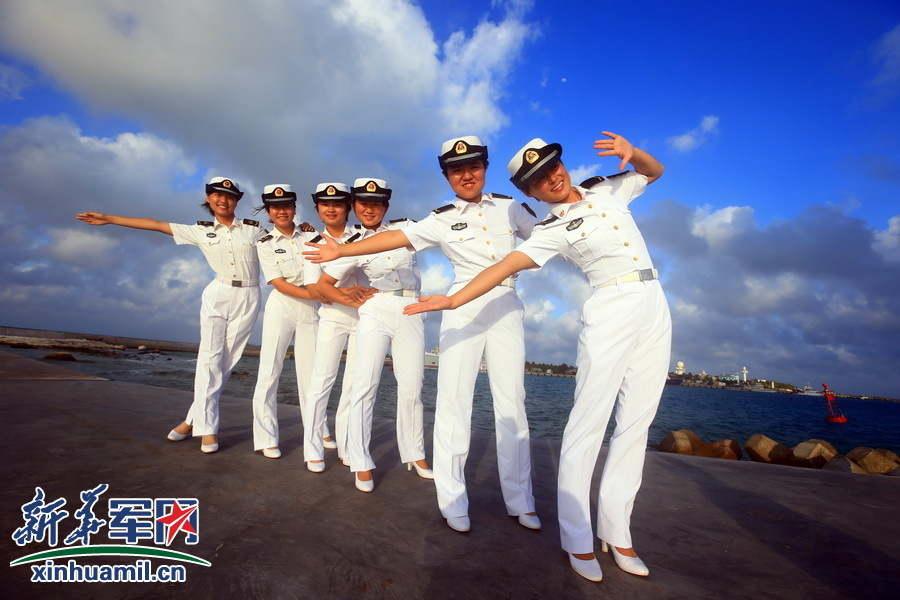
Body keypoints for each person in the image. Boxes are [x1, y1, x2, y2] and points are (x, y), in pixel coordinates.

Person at [403, 132, 670, 583]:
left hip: (654, 302)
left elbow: (653, 172)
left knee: (635, 424)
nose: (552, 178)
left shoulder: (608, 188)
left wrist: (634, 152)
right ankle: (578, 538)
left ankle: (617, 531)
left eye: (553, 167)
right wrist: (453, 301)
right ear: (530, 193)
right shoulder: (549, 230)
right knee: (589, 422)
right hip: (609, 307)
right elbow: (501, 268)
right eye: (539, 180)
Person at [305, 137, 540, 533]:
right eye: (456, 169)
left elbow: (547, 236)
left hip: (505, 305)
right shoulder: (441, 218)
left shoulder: (511, 207)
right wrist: (340, 253)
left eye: (474, 166)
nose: (466, 175)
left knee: (512, 404)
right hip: (458, 305)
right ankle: (452, 498)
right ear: (447, 176)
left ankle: (521, 499)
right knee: (452, 403)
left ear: (485, 167)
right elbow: (395, 239)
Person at [76, 177, 265, 454]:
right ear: (208, 199)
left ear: (236, 200)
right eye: (216, 196)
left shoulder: (253, 230)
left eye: (228, 196)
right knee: (209, 360)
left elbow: (283, 239)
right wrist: (110, 219)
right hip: (218, 294)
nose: (222, 201)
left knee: (225, 364)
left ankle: (190, 420)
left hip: (249, 296)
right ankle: (208, 430)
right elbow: (155, 224)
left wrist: (305, 229)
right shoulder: (198, 231)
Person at [308, 178, 431, 492]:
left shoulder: (406, 229)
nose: (369, 208)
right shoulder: (351, 245)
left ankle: (415, 453)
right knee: (365, 385)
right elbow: (322, 286)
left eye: (376, 203)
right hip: (375, 309)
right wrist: (349, 295)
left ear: (386, 206)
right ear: (355, 206)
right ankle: (361, 461)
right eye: (363, 202)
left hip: (411, 307)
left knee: (412, 385)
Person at [250, 184, 329, 459]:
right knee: (269, 371)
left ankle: (316, 430)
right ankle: (266, 437)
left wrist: (318, 294)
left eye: (286, 206)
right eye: (275, 207)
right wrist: (314, 293)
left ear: (294, 208)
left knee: (311, 374)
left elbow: (328, 257)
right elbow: (277, 282)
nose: (281, 211)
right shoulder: (265, 243)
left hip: (311, 309)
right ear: (269, 212)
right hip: (282, 306)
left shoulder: (310, 234)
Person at [301, 182, 374, 472]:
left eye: (338, 203)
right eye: (325, 203)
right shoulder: (314, 243)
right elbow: (312, 288)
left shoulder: (363, 237)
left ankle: (346, 445)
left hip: (363, 318)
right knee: (321, 382)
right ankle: (313, 449)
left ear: (348, 206)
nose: (331, 208)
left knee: (354, 385)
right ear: (318, 208)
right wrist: (346, 296)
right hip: (332, 316)